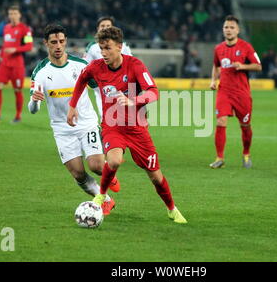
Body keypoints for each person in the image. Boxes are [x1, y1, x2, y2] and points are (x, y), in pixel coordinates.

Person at [67, 26, 187, 224]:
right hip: (112, 126)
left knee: (156, 177)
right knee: (113, 161)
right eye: (101, 48)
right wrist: (72, 106)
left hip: (137, 127)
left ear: (120, 47)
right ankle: (101, 196)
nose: (104, 53)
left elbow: (153, 92)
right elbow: (81, 79)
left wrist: (135, 101)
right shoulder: (96, 67)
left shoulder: (135, 65)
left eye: (108, 48)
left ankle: (172, 209)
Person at [28, 24, 118, 215]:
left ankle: (108, 175)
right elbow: (33, 109)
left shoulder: (81, 65)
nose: (58, 46)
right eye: (53, 42)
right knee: (77, 173)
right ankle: (106, 200)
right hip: (61, 129)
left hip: (86, 123)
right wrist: (35, 102)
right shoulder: (40, 72)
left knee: (96, 166)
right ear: (46, 44)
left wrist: (106, 112)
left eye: (61, 41)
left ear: (66, 41)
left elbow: (98, 89)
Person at [209, 15, 262, 169]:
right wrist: (213, 80)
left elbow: (258, 66)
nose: (229, 30)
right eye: (226, 27)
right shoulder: (218, 48)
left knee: (245, 125)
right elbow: (216, 65)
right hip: (224, 91)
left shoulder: (246, 47)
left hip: (242, 93)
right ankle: (219, 158)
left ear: (238, 30)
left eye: (232, 27)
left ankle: (246, 154)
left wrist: (243, 66)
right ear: (223, 30)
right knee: (220, 121)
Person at [0, 5, 33, 123]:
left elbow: (29, 46)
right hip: (4, 64)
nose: (12, 16)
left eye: (14, 13)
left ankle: (18, 116)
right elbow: (5, 45)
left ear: (19, 15)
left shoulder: (25, 29)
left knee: (17, 90)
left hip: (17, 65)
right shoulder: (6, 28)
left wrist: (15, 49)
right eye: (10, 14)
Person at [84, 16, 132, 118]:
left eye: (108, 26)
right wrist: (94, 84)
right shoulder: (92, 47)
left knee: (124, 117)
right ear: (97, 29)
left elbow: (131, 66)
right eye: (102, 26)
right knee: (105, 116)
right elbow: (85, 68)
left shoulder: (123, 46)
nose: (105, 28)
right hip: (102, 88)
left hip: (121, 87)